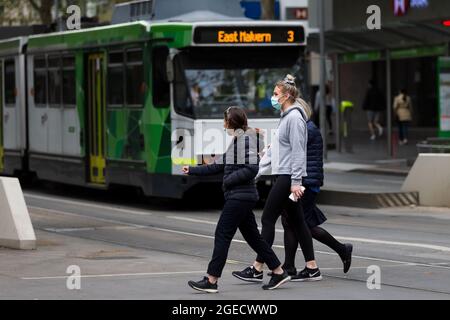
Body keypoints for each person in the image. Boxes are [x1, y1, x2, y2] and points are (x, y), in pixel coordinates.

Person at [185, 106, 291, 293]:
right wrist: (192, 169)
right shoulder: (239, 139)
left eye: (224, 121)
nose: (223, 124)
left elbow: (252, 168)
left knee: (222, 234)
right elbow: (218, 165)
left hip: (240, 197)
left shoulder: (246, 140)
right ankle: (278, 271)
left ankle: (212, 280)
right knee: (254, 238)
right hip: (241, 196)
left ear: (230, 122)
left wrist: (229, 180)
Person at [232, 75, 322, 283]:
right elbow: (276, 151)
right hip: (285, 174)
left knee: (267, 219)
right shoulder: (285, 117)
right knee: (298, 221)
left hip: (288, 176)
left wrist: (296, 182)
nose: (273, 98)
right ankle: (312, 267)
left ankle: (258, 267)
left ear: (287, 96)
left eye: (275, 94)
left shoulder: (294, 118)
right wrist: (257, 171)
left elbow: (299, 151)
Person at [276, 101, 353, 279]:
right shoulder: (307, 127)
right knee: (297, 222)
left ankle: (297, 266)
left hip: (306, 183)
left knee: (295, 222)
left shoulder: (306, 128)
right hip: (307, 181)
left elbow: (294, 153)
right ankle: (294, 265)